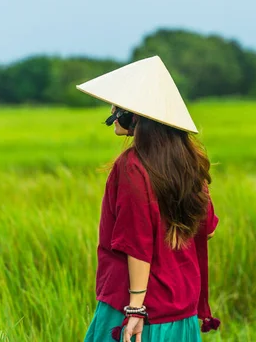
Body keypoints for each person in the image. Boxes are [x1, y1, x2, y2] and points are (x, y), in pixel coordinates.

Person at [77, 56, 220, 342]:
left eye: (119, 106)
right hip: (181, 310)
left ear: (135, 116)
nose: (113, 111)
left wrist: (135, 309)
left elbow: (137, 244)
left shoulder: (132, 166)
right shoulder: (189, 163)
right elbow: (207, 228)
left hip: (138, 314)